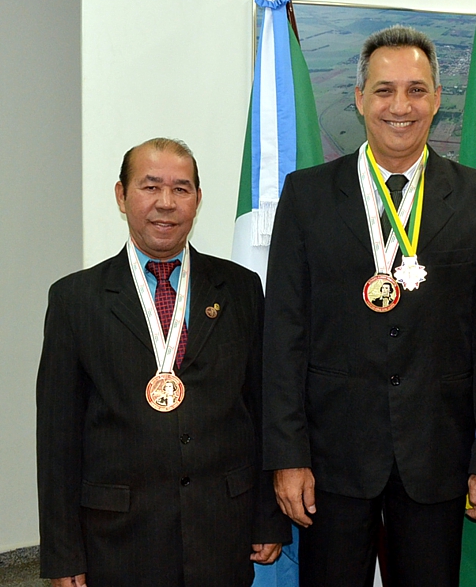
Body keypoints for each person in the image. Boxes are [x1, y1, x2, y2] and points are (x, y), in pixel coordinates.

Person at [263, 25, 476, 587]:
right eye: (383, 90)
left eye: (416, 90)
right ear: (359, 99)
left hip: (438, 455)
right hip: (330, 461)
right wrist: (288, 454)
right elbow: (283, 334)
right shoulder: (306, 195)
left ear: (436, 99)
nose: (399, 106)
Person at [36, 138, 289, 587]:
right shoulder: (75, 299)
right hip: (117, 538)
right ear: (121, 195)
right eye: (150, 187)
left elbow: (264, 408)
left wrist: (268, 519)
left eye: (182, 189)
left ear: (198, 199)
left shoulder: (241, 288)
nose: (166, 204)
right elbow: (58, 438)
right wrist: (62, 553)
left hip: (223, 531)